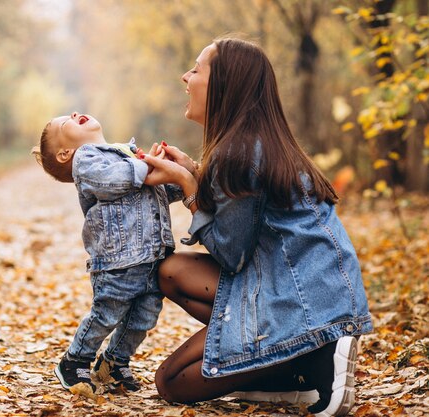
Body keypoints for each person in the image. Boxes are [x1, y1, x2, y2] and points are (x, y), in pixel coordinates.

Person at [140, 37, 373, 417]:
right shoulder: (252, 143)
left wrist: (187, 187)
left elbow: (232, 255)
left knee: (172, 382)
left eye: (197, 69)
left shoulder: (238, 152)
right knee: (170, 272)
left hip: (299, 299)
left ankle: (312, 353)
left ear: (224, 85)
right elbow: (243, 219)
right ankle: (298, 370)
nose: (186, 76)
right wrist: (194, 172)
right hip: (314, 287)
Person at [32, 112, 184, 393]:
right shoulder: (87, 160)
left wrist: (171, 174)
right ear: (66, 153)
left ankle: (114, 361)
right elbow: (111, 182)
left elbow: (154, 192)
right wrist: (146, 168)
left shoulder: (126, 153)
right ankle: (75, 360)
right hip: (118, 261)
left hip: (152, 256)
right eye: (65, 120)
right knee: (106, 314)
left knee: (144, 317)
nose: (75, 113)